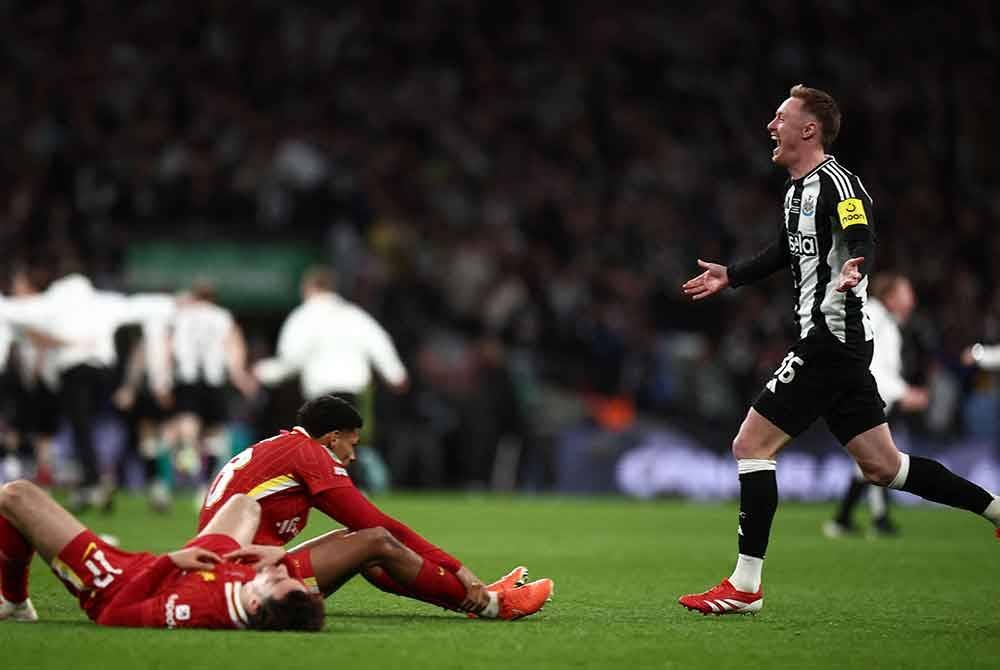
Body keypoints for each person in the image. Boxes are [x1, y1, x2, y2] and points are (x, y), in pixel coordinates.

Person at [678, 84, 1000, 615]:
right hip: (838, 346)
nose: (770, 126)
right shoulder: (793, 191)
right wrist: (731, 276)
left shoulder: (838, 183)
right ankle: (995, 511)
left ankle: (745, 586)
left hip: (832, 340)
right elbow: (786, 249)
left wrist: (855, 264)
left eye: (781, 117)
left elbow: (860, 232)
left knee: (751, 446)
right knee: (884, 467)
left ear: (810, 129)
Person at [197, 394, 551, 617]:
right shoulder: (309, 455)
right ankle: (490, 605)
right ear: (332, 438)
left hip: (232, 570)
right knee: (375, 540)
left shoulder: (281, 448)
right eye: (351, 444)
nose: (352, 456)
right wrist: (458, 568)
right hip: (245, 582)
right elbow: (378, 524)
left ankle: (476, 598)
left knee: (358, 541)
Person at [0, 480, 324, 630]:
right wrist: (281, 556)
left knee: (16, 496)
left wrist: (170, 561)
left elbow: (113, 615)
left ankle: (15, 602)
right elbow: (286, 589)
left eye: (277, 580)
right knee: (244, 504)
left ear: (255, 603)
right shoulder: (254, 595)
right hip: (211, 566)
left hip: (119, 580)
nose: (280, 572)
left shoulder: (191, 608)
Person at [253, 266, 408, 491]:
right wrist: (396, 374)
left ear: (308, 288)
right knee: (346, 444)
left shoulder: (303, 317)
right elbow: (379, 343)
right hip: (351, 392)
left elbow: (290, 361)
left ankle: (332, 493)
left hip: (321, 394)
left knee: (321, 448)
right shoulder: (354, 315)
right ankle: (352, 491)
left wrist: (262, 372)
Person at [824, 274, 928, 538]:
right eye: (907, 292)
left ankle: (854, 519)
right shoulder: (877, 319)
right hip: (868, 398)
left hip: (870, 396)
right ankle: (857, 519)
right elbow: (872, 366)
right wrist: (904, 392)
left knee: (872, 461)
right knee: (879, 460)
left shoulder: (882, 319)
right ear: (891, 295)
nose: (912, 299)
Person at [163, 282, 258, 506]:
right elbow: (234, 346)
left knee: (188, 422)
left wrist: (164, 380)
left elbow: (168, 348)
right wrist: (240, 376)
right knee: (214, 432)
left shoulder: (181, 316)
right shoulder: (223, 317)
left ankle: (188, 451)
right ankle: (206, 484)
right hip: (214, 379)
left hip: (186, 377)